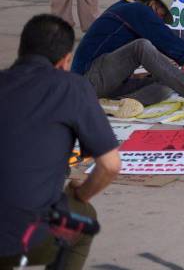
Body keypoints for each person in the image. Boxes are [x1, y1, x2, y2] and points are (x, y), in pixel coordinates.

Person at [0, 15, 120, 270]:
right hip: (29, 236)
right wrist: (81, 194)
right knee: (83, 217)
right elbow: (110, 165)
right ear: (65, 60)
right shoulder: (71, 87)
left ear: (21, 49)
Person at [71, 0, 184, 118]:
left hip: (99, 82)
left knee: (169, 80)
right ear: (153, 4)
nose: (161, 20)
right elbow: (174, 44)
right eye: (162, 15)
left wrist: (136, 75)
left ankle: (118, 103)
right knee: (142, 46)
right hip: (87, 79)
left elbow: (113, 53)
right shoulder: (137, 10)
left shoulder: (129, 12)